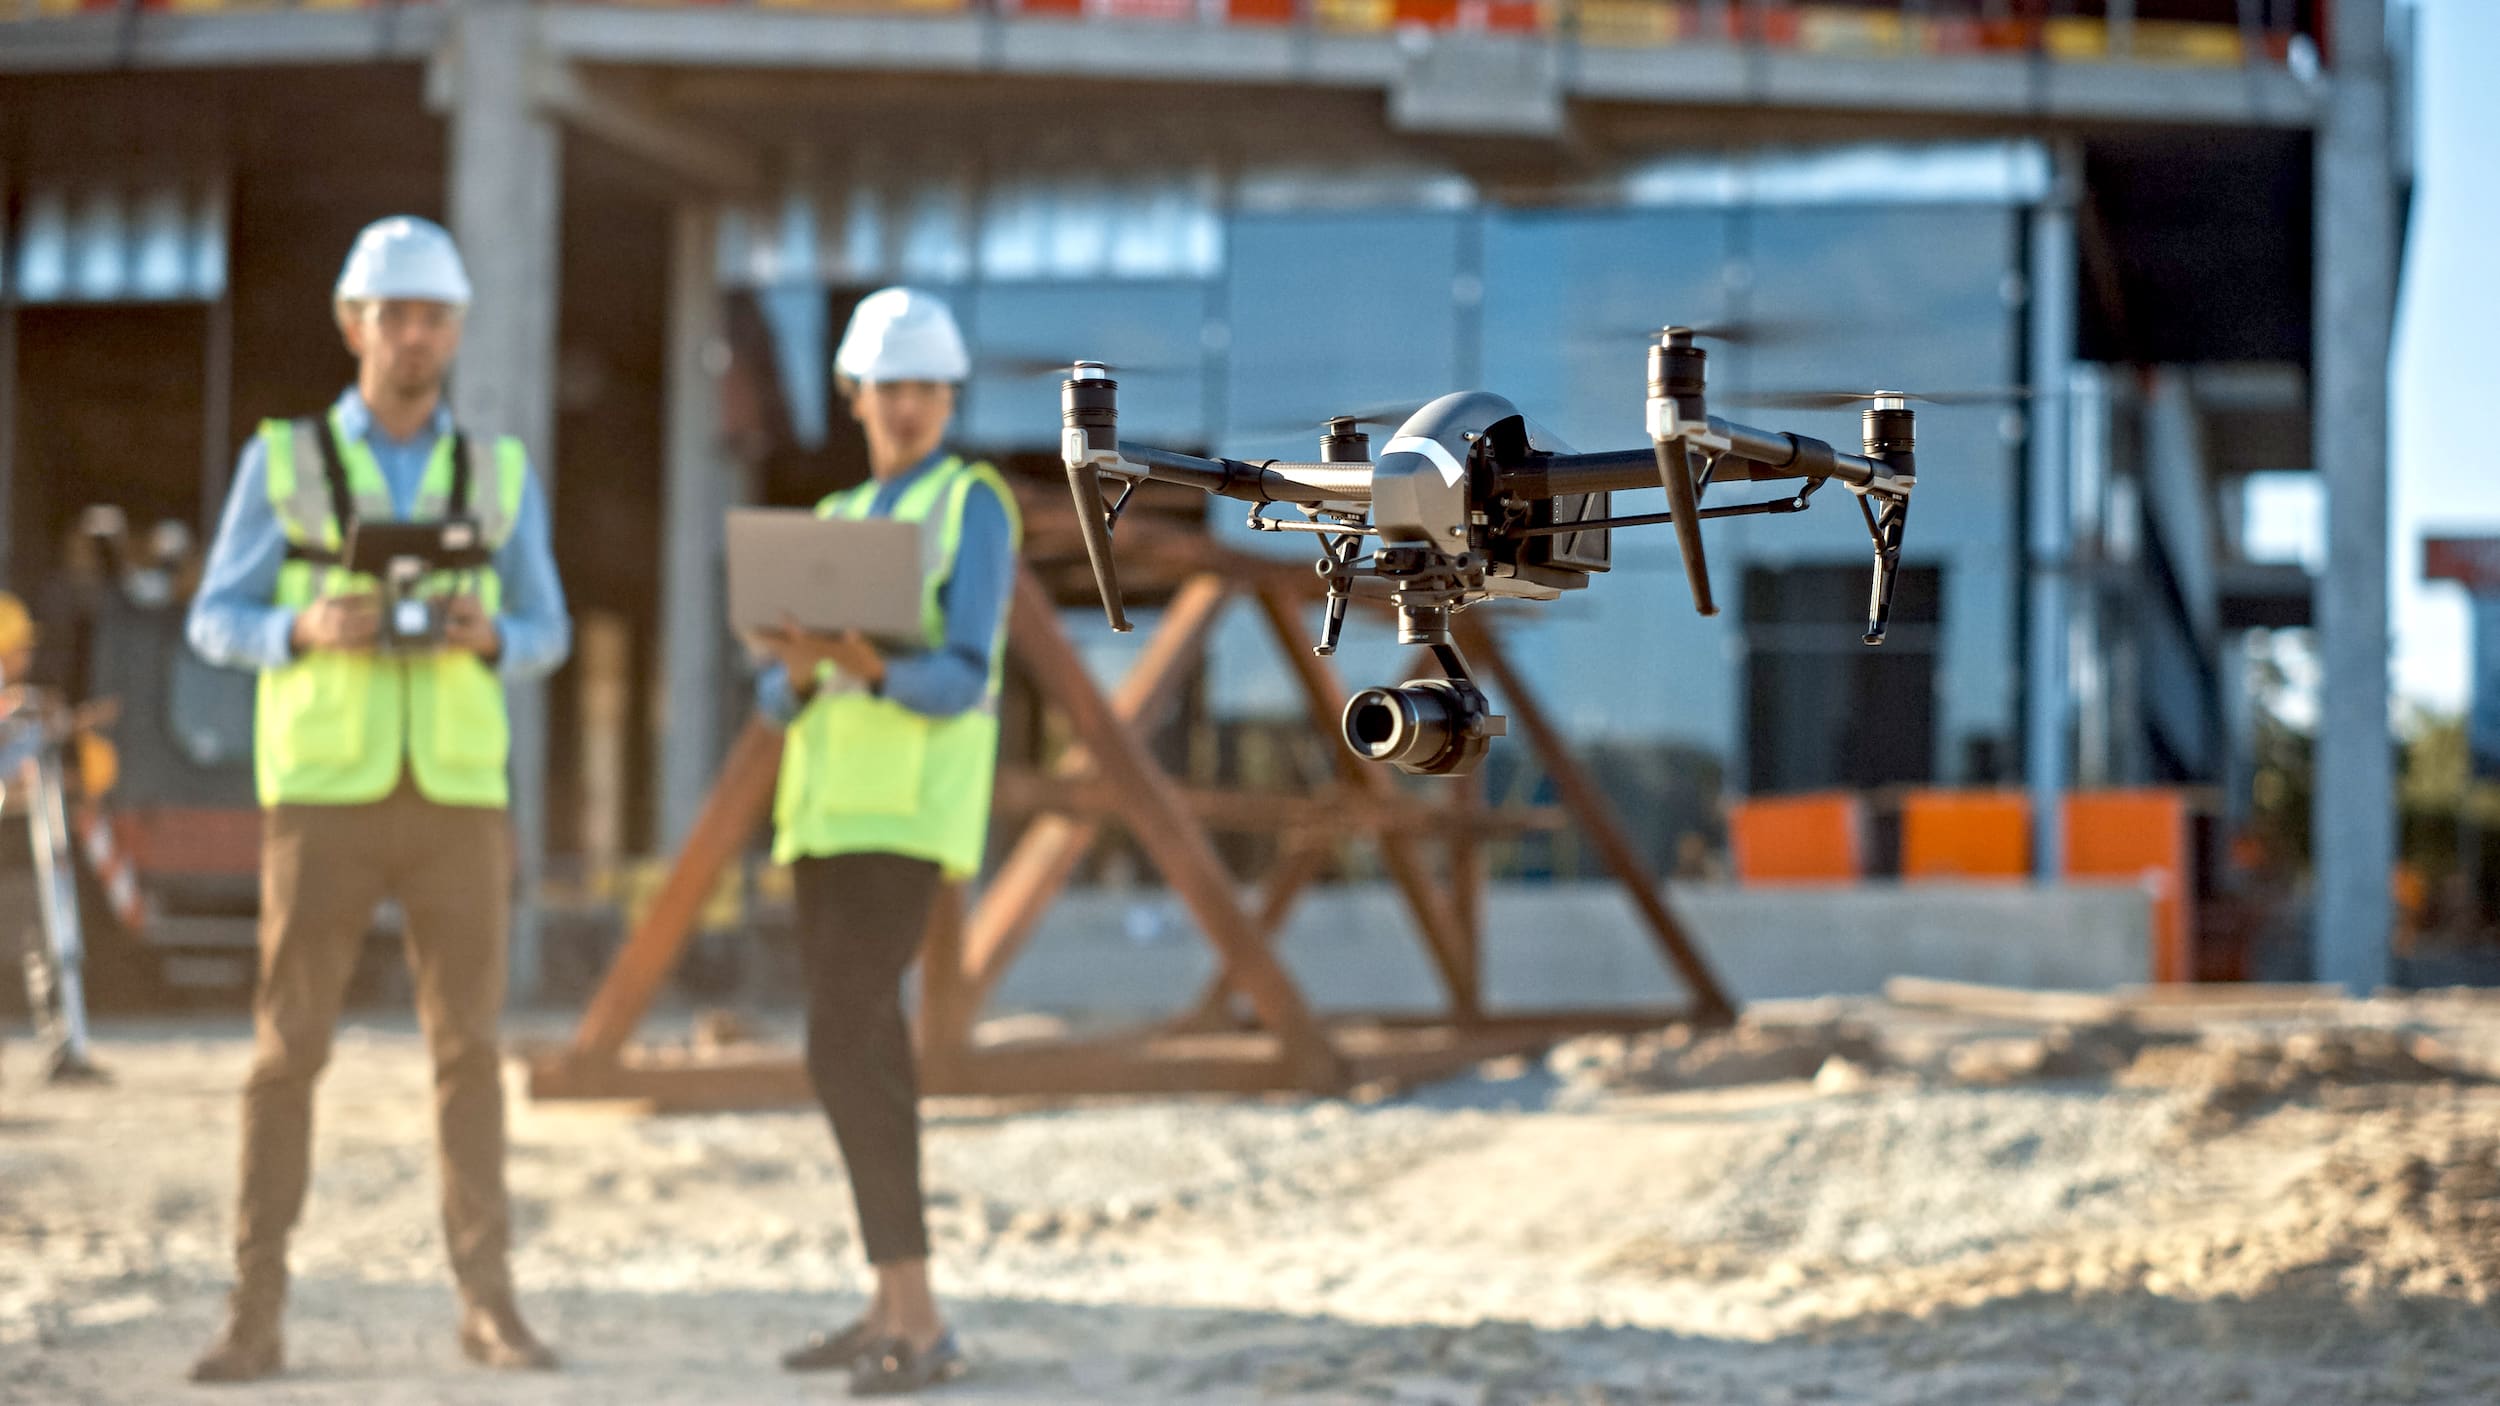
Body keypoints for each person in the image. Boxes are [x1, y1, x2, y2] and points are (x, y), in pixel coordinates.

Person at [183, 215, 571, 1384]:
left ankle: (486, 1303)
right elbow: (214, 616)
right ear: (356, 323)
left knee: (469, 1055)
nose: (414, 335)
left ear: (456, 331)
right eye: (394, 314)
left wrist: (491, 629)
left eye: (433, 317)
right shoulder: (284, 460)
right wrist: (299, 624)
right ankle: (254, 1311)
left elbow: (546, 628)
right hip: (324, 797)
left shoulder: (499, 474)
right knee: (286, 1053)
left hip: (456, 796)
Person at [753, 287, 1019, 1396]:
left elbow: (964, 676)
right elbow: (774, 703)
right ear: (853, 393)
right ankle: (890, 1305)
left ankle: (921, 1314)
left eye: (925, 388)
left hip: (906, 819)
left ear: (948, 395)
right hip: (823, 821)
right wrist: (805, 664)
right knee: (863, 1053)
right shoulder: (839, 509)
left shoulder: (974, 504)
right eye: (889, 387)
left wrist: (869, 667)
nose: (906, 406)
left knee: (843, 1047)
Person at [0, 590, 109, 1085]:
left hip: (26, 848)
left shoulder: (23, 705)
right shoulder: (15, 708)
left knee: (48, 944)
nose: (29, 657)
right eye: (20, 646)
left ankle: (65, 1048)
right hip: (12, 852)